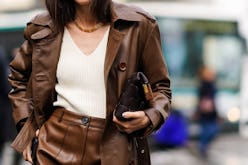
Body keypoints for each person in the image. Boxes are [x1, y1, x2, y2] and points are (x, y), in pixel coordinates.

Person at [8, 0, 171, 164]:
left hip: (115, 148)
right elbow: (18, 78)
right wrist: (27, 129)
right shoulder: (43, 26)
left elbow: (161, 88)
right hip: (52, 147)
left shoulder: (139, 25)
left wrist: (148, 117)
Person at [193, 66, 220, 158]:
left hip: (212, 113)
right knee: (206, 130)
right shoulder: (203, 86)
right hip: (204, 113)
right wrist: (198, 111)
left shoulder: (213, 84)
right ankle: (202, 147)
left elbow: (214, 101)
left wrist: (217, 114)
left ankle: (202, 146)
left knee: (213, 130)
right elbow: (200, 100)